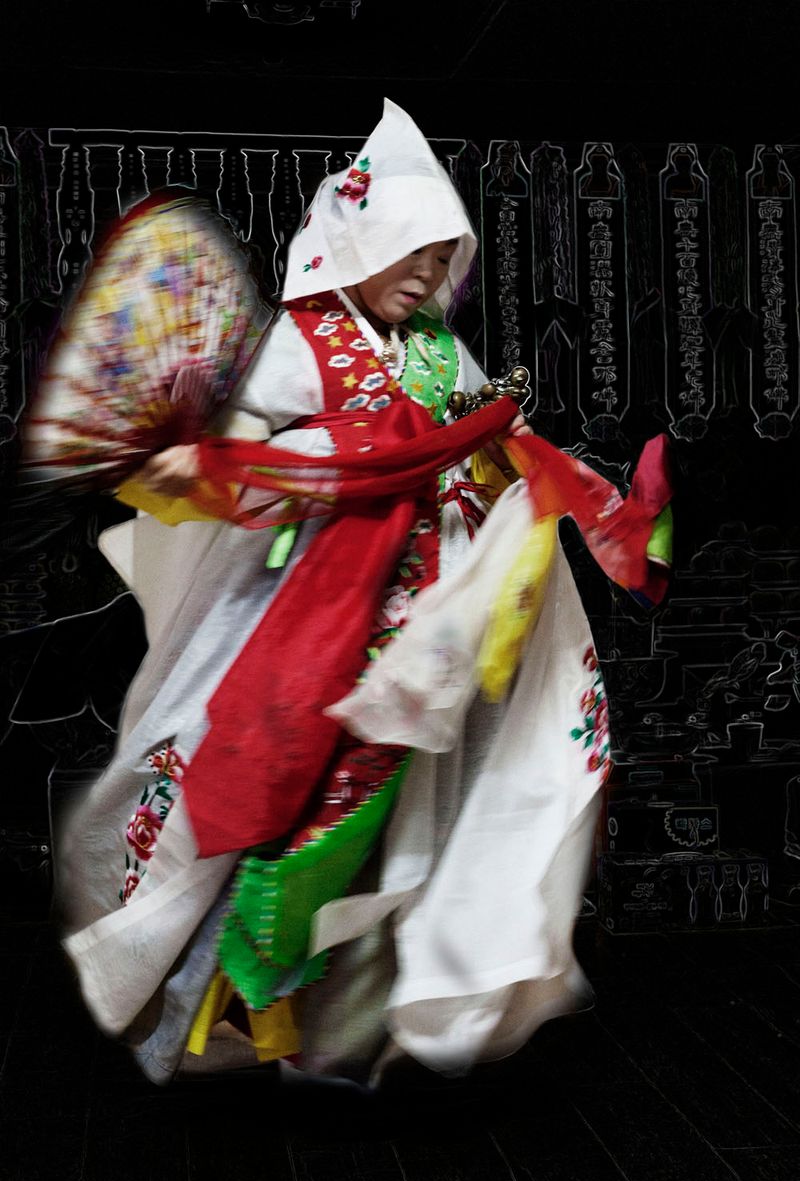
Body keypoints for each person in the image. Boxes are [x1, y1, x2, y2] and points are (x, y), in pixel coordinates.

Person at [57, 100, 660, 1086]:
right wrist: (341, 464)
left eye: (440, 258)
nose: (426, 277)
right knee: (275, 800)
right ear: (353, 242)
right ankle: (231, 995)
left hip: (421, 619)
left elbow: (492, 451)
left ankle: (342, 1014)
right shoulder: (301, 343)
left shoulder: (436, 353)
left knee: (384, 815)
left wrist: (491, 472)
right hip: (306, 611)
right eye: (408, 252)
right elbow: (250, 461)